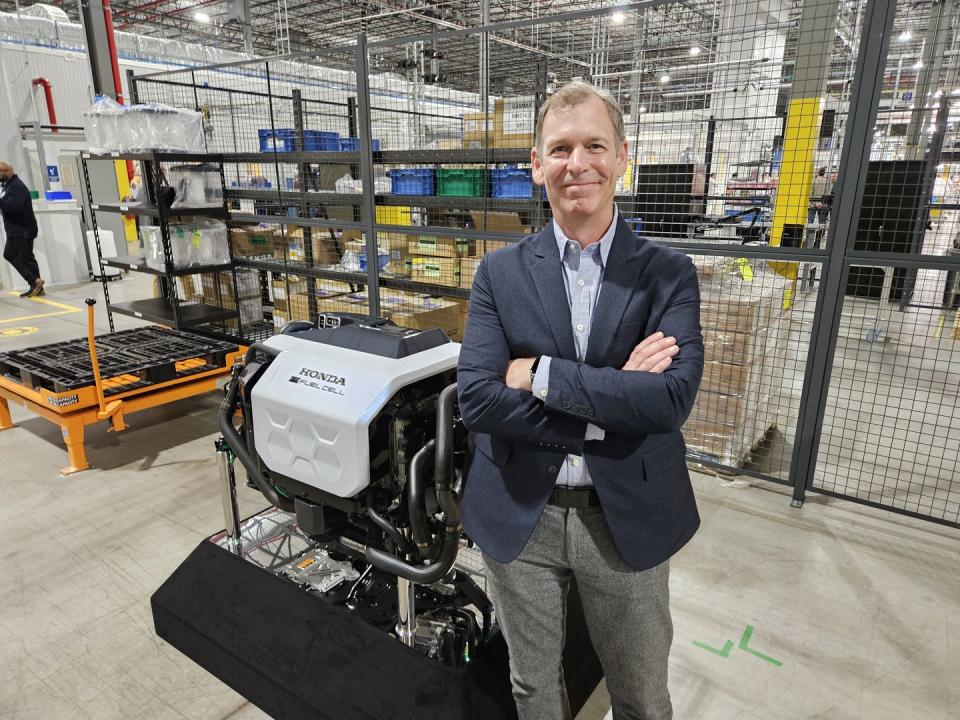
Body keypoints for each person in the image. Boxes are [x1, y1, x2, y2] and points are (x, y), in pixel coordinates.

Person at [457, 81, 704, 720]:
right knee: (532, 689)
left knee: (643, 697)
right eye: (560, 148)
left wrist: (538, 373)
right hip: (520, 514)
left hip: (624, 516)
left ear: (622, 156)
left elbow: (670, 400)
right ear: (536, 164)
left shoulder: (667, 273)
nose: (578, 163)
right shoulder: (499, 273)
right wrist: (615, 396)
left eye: (594, 145)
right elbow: (478, 400)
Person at [0, 162, 43, 297]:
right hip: (15, 230)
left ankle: (36, 284)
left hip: (23, 230)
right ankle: (35, 282)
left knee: (27, 258)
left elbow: (13, 206)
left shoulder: (16, 186)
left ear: (5, 172)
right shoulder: (8, 186)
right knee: (9, 254)